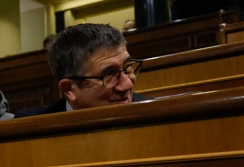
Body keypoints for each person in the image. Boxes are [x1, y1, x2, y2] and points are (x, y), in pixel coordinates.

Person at [16, 23, 147, 118]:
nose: (128, 85)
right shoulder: (28, 126)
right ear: (69, 89)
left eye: (128, 67)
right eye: (109, 74)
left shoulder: (152, 113)